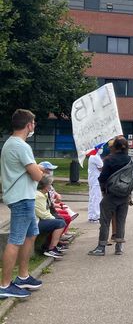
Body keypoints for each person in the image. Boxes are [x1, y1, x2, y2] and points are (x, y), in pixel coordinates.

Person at [0, 109, 44, 298]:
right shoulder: (21, 146)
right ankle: (4, 285)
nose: (34, 126)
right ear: (28, 125)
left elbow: (26, 169)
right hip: (21, 199)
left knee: (31, 235)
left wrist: (36, 168)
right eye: (33, 123)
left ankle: (23, 276)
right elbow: (36, 175)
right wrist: (41, 171)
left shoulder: (11, 143)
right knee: (15, 240)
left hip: (22, 196)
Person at [88, 136, 133, 256]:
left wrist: (104, 190)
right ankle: (119, 247)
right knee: (121, 221)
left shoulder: (109, 159)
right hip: (124, 195)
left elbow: (102, 178)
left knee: (105, 220)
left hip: (111, 194)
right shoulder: (130, 160)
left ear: (114, 147)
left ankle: (101, 247)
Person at [35, 176, 65, 260]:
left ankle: (50, 245)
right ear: (45, 186)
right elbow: (43, 214)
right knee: (60, 223)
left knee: (59, 221)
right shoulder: (39, 196)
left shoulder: (42, 194)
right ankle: (51, 248)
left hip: (38, 220)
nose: (50, 187)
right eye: (49, 185)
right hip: (35, 222)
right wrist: (54, 219)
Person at [87, 147, 103, 222]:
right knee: (96, 198)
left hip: (93, 179)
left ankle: (91, 215)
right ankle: (96, 216)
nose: (102, 149)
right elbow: (102, 167)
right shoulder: (95, 156)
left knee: (92, 197)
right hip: (96, 180)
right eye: (101, 148)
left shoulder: (93, 156)